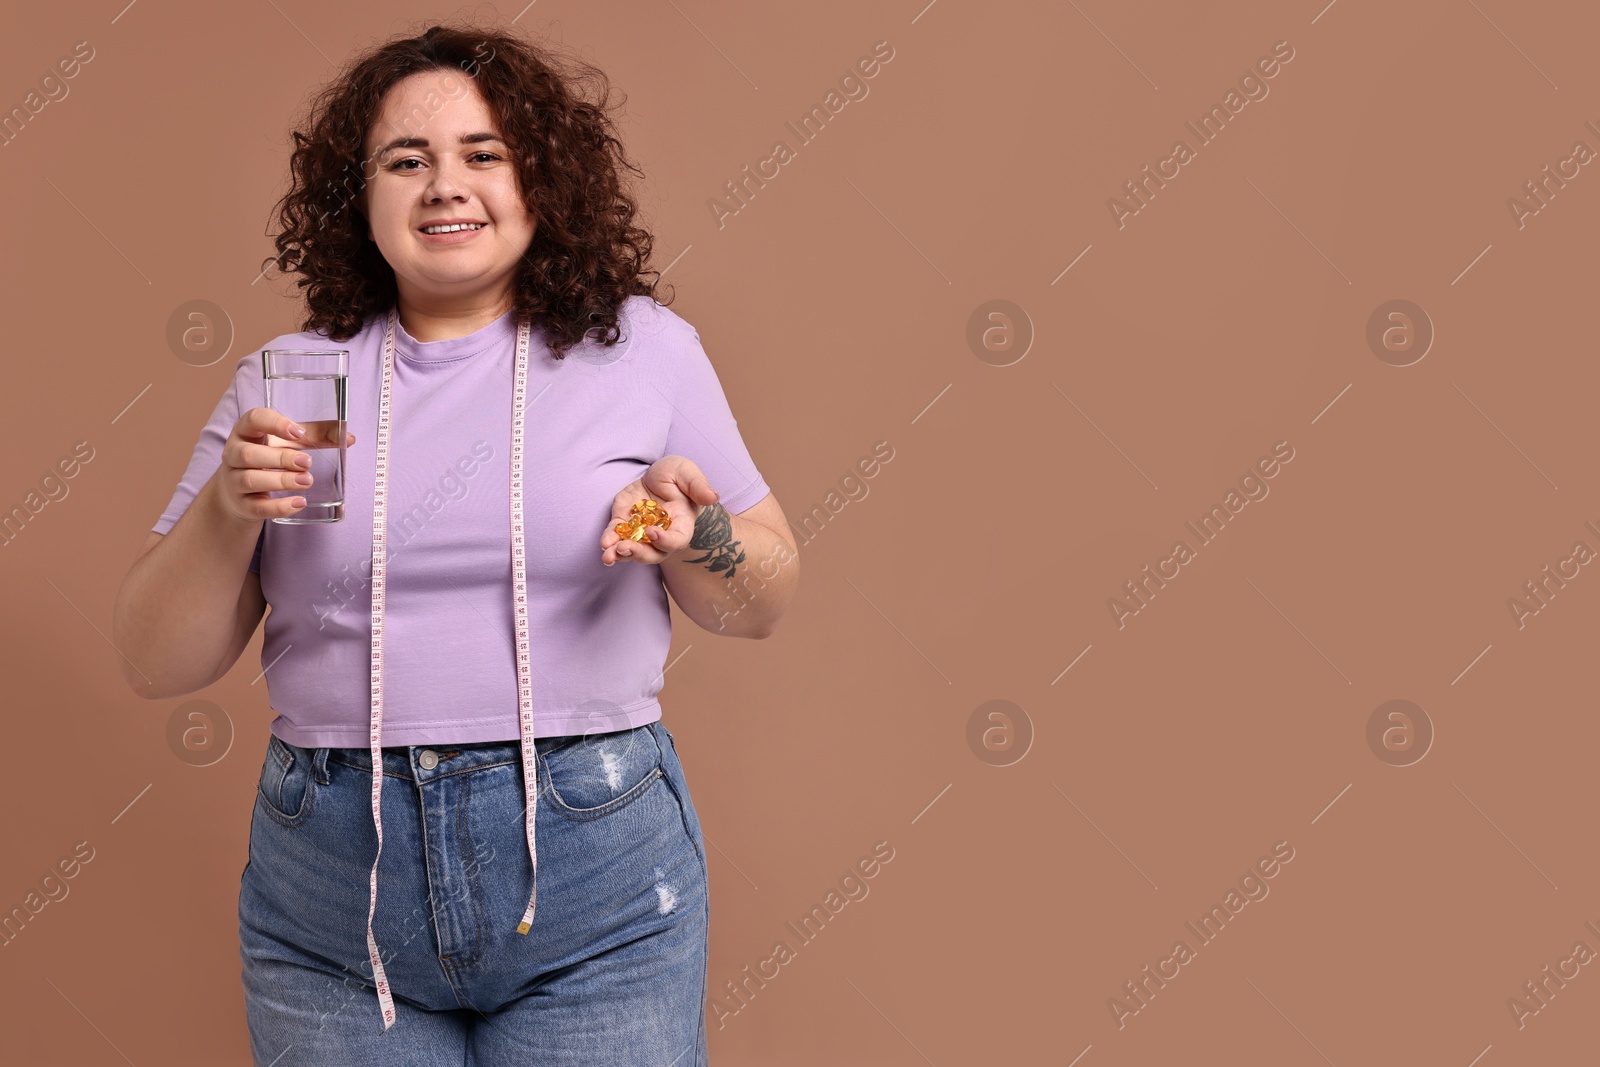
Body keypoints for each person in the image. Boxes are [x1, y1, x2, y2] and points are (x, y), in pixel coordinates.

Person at [111, 22, 799, 1065]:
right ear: (362, 195)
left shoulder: (641, 351)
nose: (446, 185)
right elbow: (154, 660)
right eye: (407, 160)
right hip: (332, 890)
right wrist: (225, 507)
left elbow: (762, 599)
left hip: (596, 872)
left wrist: (692, 530)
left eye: (484, 153)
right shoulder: (290, 380)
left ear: (542, 180)